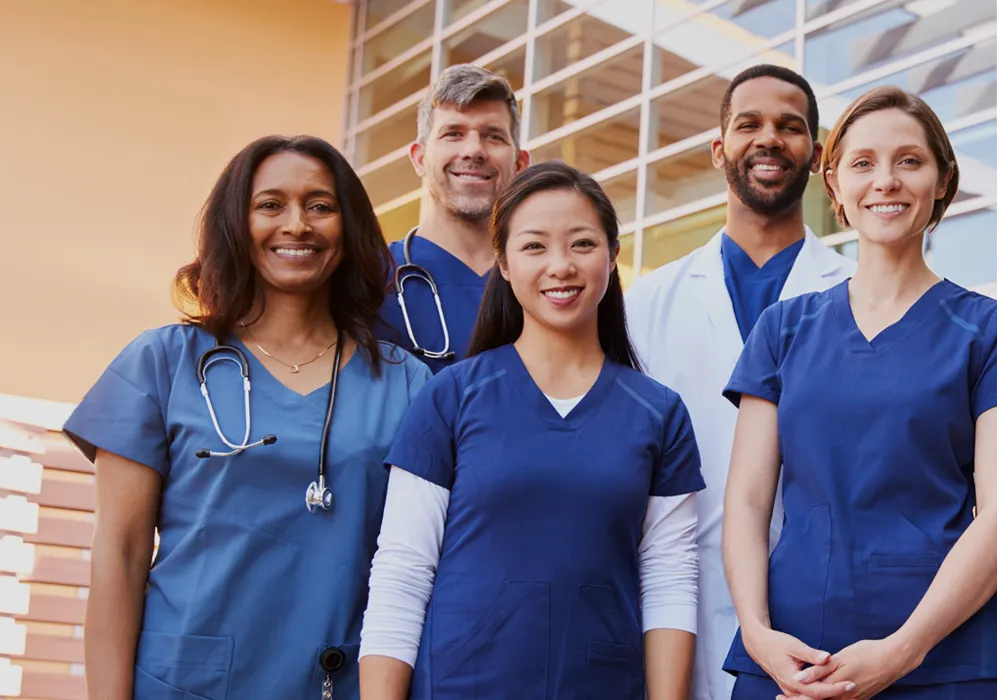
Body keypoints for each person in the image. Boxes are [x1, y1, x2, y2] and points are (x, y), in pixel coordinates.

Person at [64, 135, 430, 698]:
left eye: (320, 205)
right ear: (236, 223)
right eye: (270, 205)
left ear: (349, 226)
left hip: (335, 680)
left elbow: (415, 568)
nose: (297, 224)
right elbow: (121, 551)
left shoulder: (406, 383)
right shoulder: (164, 362)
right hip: (185, 678)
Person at [722, 86, 997, 700]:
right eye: (863, 163)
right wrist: (758, 632)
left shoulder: (991, 329)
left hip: (946, 659)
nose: (886, 181)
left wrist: (904, 651)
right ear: (836, 188)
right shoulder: (783, 329)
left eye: (909, 161)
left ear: (941, 180)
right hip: (792, 656)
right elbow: (745, 500)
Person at [357, 161, 703, 699]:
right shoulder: (451, 396)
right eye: (535, 246)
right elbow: (403, 570)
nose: (560, 266)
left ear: (613, 257)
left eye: (582, 244)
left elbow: (669, 580)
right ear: (504, 262)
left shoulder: (657, 412)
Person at [625, 63, 855, 700]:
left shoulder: (858, 298)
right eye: (748, 123)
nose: (769, 138)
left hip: (825, 606)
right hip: (680, 604)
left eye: (790, 126)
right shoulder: (646, 305)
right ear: (717, 146)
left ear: (816, 155)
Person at [377, 64, 530, 373]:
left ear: (520, 164)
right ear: (420, 158)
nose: (474, 150)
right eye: (453, 134)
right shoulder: (369, 279)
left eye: (493, 136)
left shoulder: (543, 279)